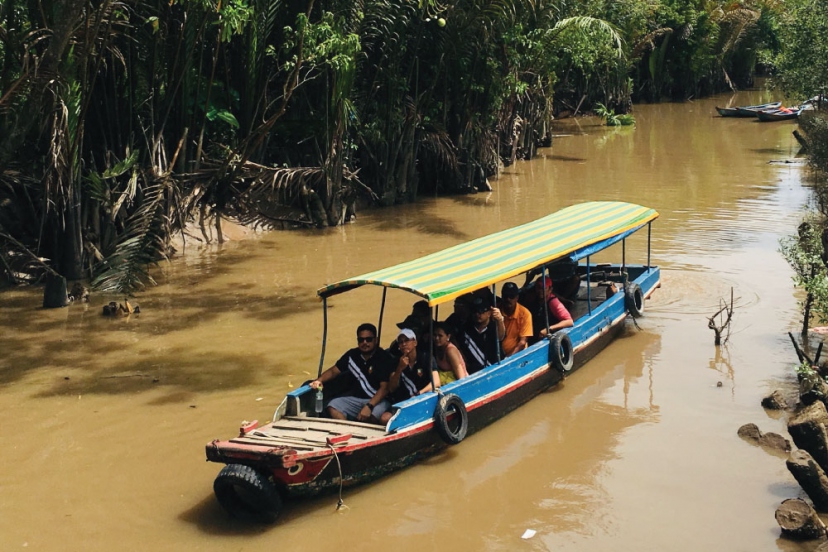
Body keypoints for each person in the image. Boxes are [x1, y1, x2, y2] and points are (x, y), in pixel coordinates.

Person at [309, 323, 393, 423]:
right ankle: (346, 430)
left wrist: (369, 406)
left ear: (376, 340)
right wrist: (319, 380)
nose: (364, 343)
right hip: (357, 400)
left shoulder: (383, 358)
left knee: (375, 415)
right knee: (333, 405)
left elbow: (385, 388)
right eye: (361, 340)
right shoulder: (352, 355)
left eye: (369, 339)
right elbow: (334, 371)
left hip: (378, 400)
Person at [380, 329, 440, 423]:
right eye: (401, 342)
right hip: (403, 401)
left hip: (422, 398)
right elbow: (391, 388)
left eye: (407, 340)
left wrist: (419, 394)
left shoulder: (426, 357)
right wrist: (399, 369)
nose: (404, 344)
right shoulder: (395, 362)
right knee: (384, 418)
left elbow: (436, 382)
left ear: (415, 342)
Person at [458, 296, 505, 374]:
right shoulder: (467, 329)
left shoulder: (494, 326)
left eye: (481, 311)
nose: (478, 314)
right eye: (475, 311)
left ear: (489, 313)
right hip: (475, 371)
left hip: (495, 368)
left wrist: (500, 320)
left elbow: (500, 337)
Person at [499, 282, 533, 356]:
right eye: (505, 296)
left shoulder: (525, 314)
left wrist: (508, 358)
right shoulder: (497, 312)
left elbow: (522, 342)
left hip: (518, 354)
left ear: (517, 298)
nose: (508, 299)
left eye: (511, 296)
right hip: (498, 355)